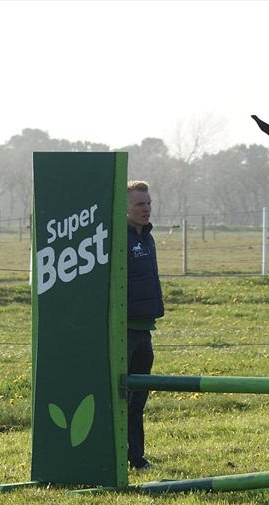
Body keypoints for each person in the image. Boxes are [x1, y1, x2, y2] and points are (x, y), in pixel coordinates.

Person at [125, 180, 163, 470]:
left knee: (139, 398)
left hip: (145, 329)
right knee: (122, 397)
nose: (146, 209)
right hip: (123, 331)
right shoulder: (119, 239)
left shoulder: (146, 237)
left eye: (148, 203)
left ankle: (136, 457)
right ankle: (121, 454)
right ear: (125, 207)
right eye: (140, 204)